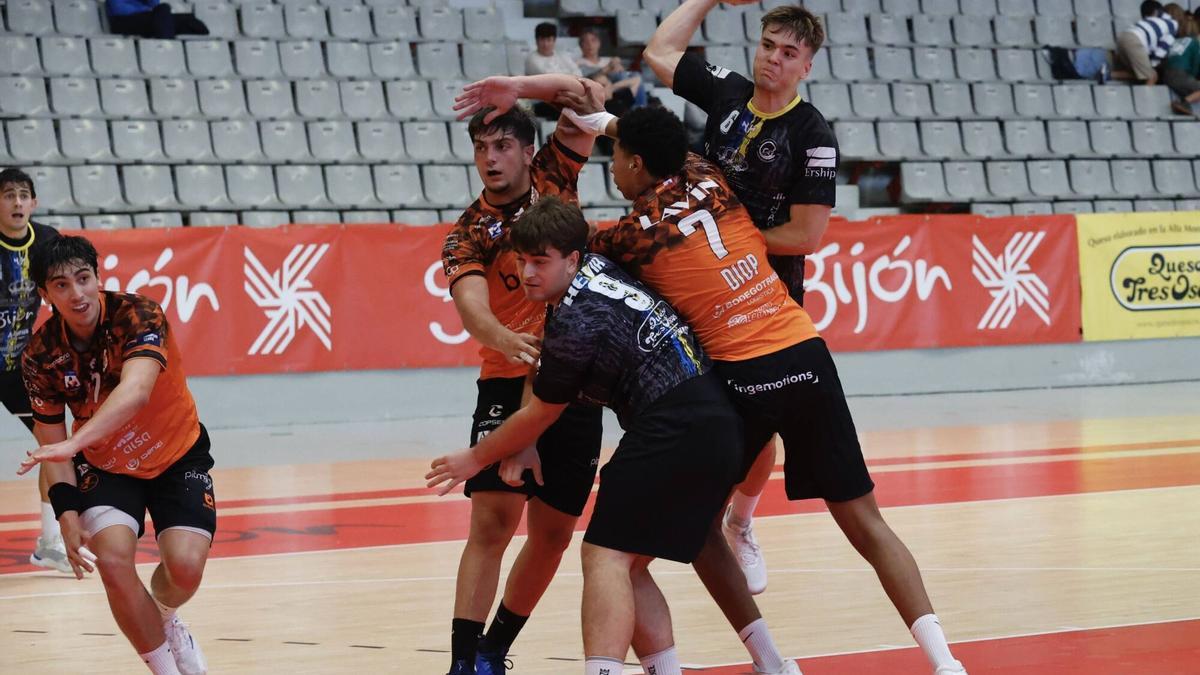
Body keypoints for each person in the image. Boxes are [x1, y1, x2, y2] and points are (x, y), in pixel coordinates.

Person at [554, 103, 968, 675]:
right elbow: (657, 138)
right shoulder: (708, 173)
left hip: (742, 379)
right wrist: (603, 121)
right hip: (804, 353)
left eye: (616, 161)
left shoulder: (627, 238)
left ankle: (771, 658)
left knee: (691, 532)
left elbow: (565, 244)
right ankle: (946, 664)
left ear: (637, 163)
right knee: (867, 523)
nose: (614, 171)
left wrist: (573, 127)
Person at [428, 196, 743, 675]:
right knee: (624, 563)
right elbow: (540, 378)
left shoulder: (577, 316)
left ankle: (588, 665)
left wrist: (475, 457)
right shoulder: (588, 271)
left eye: (540, 262)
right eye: (522, 261)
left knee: (603, 556)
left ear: (572, 258)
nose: (528, 273)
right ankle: (758, 662)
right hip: (704, 417)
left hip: (670, 424)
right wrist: (523, 442)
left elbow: (542, 408)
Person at [644, 2, 838, 593]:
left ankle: (742, 521)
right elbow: (658, 54)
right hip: (700, 280)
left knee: (762, 420)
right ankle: (673, 508)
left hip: (767, 291)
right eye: (768, 45)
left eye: (788, 54)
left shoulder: (812, 134)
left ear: (806, 67)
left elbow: (806, 235)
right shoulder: (729, 92)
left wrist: (739, 248)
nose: (772, 60)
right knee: (686, 396)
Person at [439, 75, 605, 675]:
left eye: (503, 144)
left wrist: (520, 86)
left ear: (528, 151)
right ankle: (462, 662)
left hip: (580, 380)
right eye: (482, 148)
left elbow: (589, 97)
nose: (491, 157)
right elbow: (472, 309)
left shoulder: (556, 180)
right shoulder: (466, 233)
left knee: (555, 532)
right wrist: (509, 341)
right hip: (508, 382)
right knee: (492, 520)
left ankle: (493, 653)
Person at [17, 234, 215, 675]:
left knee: (184, 568)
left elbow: (137, 390)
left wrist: (71, 442)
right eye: (62, 286)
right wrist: (66, 514)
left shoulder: (139, 313)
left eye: (83, 279)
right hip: (105, 464)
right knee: (111, 559)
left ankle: (164, 614)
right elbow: (53, 443)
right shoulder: (40, 355)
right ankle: (165, 667)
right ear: (45, 295)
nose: (77, 293)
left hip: (176, 451)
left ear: (98, 278)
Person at [0, 168, 67, 572]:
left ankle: (50, 543)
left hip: (18, 366)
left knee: (55, 446)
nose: (18, 203)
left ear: (34, 203)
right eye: (9, 195)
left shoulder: (45, 240)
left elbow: (64, 292)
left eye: (24, 195)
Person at [577, 28, 648, 112]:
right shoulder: (579, 63)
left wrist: (617, 66)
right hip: (602, 94)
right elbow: (589, 78)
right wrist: (608, 68)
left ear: (599, 43)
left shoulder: (607, 60)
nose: (590, 45)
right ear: (581, 45)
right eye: (585, 42)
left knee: (635, 75)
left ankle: (639, 110)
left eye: (593, 40)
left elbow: (623, 74)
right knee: (624, 76)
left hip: (614, 89)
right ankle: (634, 109)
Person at [1112, 0, 1178, 85]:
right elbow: (1162, 49)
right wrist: (1154, 64)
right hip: (1134, 41)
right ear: (1157, 11)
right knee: (1152, 76)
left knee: (1137, 72)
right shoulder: (1172, 24)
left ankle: (1109, 74)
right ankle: (1144, 98)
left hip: (1122, 38)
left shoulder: (1147, 22)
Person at [106, 0, 209, 39]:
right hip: (123, 21)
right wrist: (147, 10)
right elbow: (119, 9)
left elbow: (154, 4)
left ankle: (168, 42)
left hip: (146, 19)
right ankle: (167, 44)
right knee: (164, 9)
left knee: (188, 19)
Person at [1163, 15, 1200, 114]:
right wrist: (1193, 77)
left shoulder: (1175, 41)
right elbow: (1196, 65)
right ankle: (1184, 103)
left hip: (1166, 76)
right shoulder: (1194, 43)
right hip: (1180, 75)